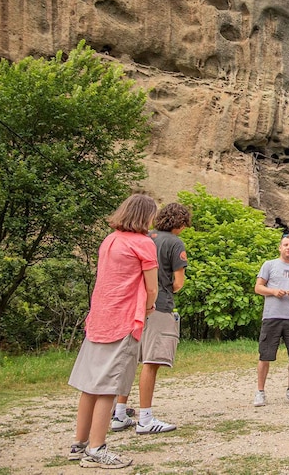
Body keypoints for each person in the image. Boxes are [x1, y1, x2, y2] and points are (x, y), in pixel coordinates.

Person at [67, 194, 159, 469]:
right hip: (123, 320)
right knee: (109, 386)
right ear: (144, 216)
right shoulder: (144, 244)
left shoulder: (110, 239)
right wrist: (149, 307)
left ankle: (79, 444)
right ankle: (97, 449)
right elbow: (152, 287)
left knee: (90, 386)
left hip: (99, 318)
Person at [111, 202, 191, 435]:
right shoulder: (175, 243)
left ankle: (119, 413)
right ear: (180, 223)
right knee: (151, 361)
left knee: (128, 359)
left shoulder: (143, 237)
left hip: (133, 305)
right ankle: (145, 418)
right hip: (159, 306)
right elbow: (178, 283)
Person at [253, 233, 289, 407]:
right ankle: (260, 392)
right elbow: (258, 287)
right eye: (285, 245)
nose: (288, 248)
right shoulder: (269, 265)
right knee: (265, 355)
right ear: (280, 248)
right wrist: (273, 291)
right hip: (272, 316)